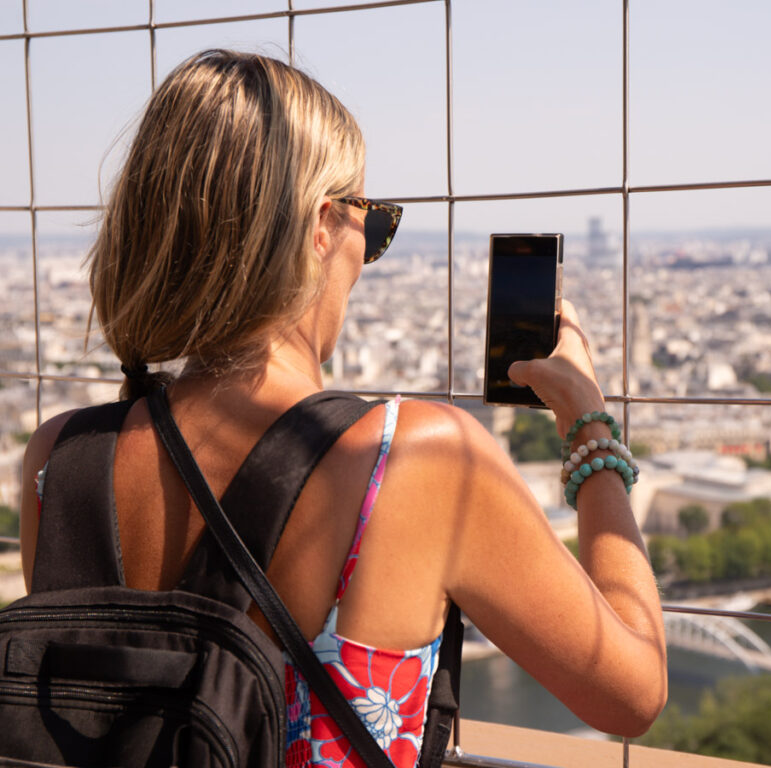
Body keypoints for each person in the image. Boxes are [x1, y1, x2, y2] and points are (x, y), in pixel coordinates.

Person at [19, 50, 667, 767]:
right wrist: (591, 430)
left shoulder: (57, 461)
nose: (370, 248)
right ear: (323, 226)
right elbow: (631, 691)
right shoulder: (412, 455)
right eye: (375, 221)